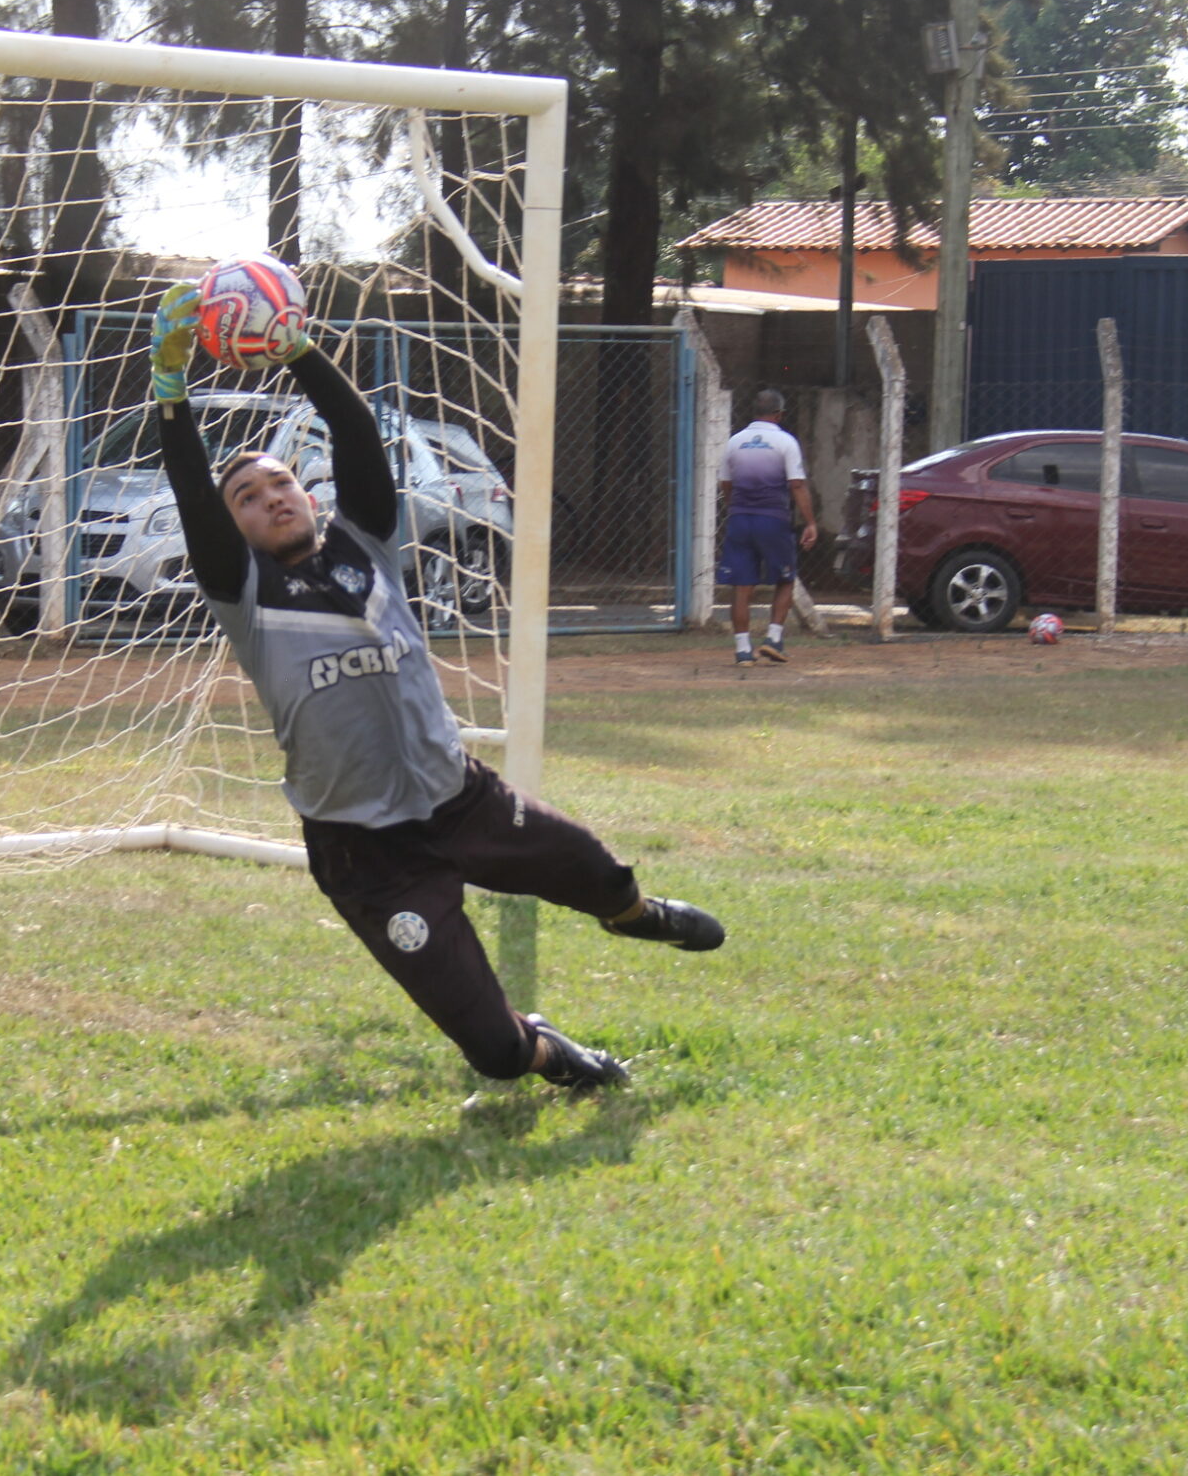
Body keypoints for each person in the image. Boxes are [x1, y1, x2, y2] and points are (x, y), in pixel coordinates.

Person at [149, 277, 724, 1093]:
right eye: (245, 496)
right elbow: (189, 489)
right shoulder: (244, 594)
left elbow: (352, 430)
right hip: (366, 854)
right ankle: (550, 1048)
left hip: (461, 797)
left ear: (305, 495)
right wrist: (170, 393)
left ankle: (640, 919)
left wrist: (297, 348)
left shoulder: (367, 543)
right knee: (495, 1054)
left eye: (280, 483)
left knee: (601, 873)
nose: (269, 497)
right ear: (231, 524)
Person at [717, 388, 818, 665]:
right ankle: (773, 638)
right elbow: (796, 484)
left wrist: (734, 507)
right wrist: (810, 522)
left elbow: (726, 484)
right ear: (779, 414)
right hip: (772, 519)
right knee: (785, 578)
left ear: (754, 413)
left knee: (742, 585)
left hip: (740, 519)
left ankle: (742, 650)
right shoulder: (785, 442)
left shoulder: (734, 442)